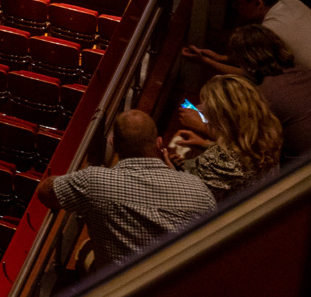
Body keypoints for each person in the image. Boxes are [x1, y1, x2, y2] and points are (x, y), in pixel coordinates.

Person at [37, 109, 213, 269]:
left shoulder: (94, 182)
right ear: (159, 143)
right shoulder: (199, 189)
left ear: (113, 144)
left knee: (86, 251)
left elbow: (45, 193)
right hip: (174, 285)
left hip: (119, 287)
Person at [182, 24, 311, 160]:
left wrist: (201, 126)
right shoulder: (298, 70)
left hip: (302, 168)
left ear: (248, 61)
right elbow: (247, 74)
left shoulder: (268, 95)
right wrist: (208, 61)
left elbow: (242, 143)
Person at [170, 74, 283, 198]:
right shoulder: (269, 131)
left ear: (222, 121)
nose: (200, 109)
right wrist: (205, 143)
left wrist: (170, 165)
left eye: (206, 111)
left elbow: (190, 193)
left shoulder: (218, 160)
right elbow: (240, 150)